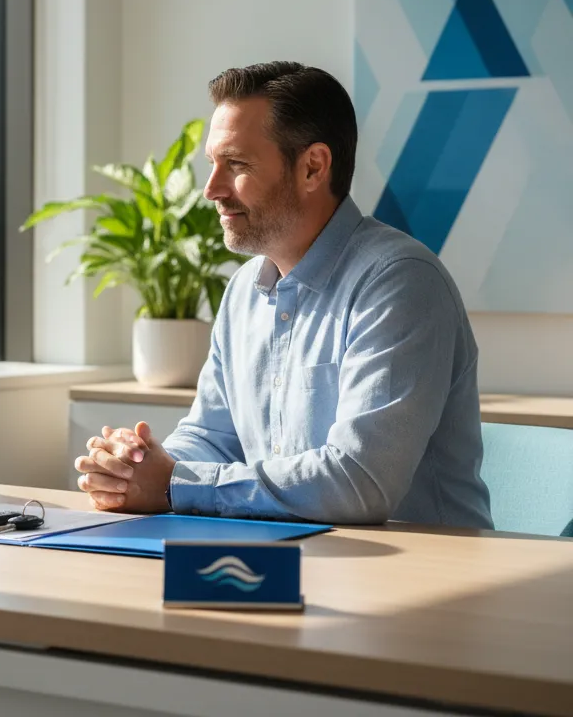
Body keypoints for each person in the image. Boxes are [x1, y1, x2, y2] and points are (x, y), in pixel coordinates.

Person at [76, 62, 493, 530]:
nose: (211, 189)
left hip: (428, 579)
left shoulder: (399, 281)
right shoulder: (242, 292)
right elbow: (212, 437)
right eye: (212, 163)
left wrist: (175, 484)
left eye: (236, 165)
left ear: (313, 167)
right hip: (293, 559)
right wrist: (134, 468)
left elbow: (360, 481)